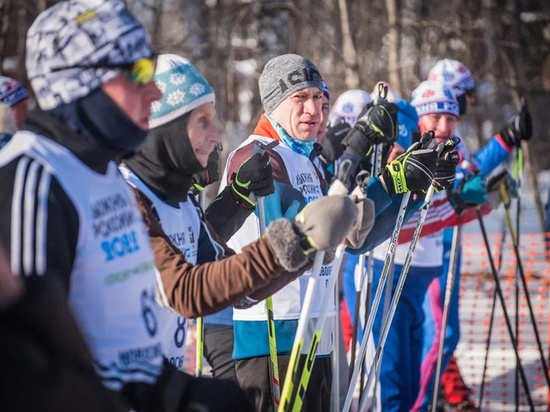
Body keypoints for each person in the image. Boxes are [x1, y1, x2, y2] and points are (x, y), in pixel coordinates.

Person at [0, 2, 355, 411]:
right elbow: (31, 357)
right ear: (81, 84)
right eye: (137, 73)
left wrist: (178, 393)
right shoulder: (33, 179)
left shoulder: (108, 179)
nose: (152, 94)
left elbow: (131, 344)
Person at [221, 53, 454, 411]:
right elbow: (310, 231)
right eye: (300, 98)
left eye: (320, 100)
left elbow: (352, 238)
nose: (313, 111)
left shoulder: (309, 158)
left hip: (320, 332)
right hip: (274, 336)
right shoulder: (258, 155)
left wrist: (404, 184)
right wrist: (382, 174)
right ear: (273, 101)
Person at [122, 53, 341, 381]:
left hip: (159, 381)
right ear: (165, 126)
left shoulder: (183, 201)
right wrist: (295, 240)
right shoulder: (127, 195)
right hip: (117, 388)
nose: (216, 137)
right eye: (202, 122)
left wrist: (300, 246)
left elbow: (236, 284)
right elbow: (184, 290)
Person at [414, 59, 532, 411]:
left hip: (449, 241)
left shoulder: (449, 130)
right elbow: (458, 178)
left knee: (444, 333)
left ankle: (438, 392)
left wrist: (506, 140)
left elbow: (469, 168)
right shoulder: (428, 126)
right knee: (439, 332)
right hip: (432, 245)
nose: (464, 107)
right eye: (464, 97)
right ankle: (424, 399)